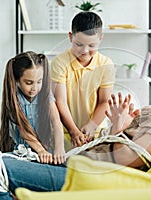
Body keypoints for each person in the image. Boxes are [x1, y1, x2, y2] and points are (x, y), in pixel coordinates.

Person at [0, 55, 151, 200]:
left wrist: (115, 134)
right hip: (84, 162)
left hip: (93, 175)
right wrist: (116, 127)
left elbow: (130, 157)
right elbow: (120, 147)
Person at [50, 11, 116, 149]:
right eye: (79, 44)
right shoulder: (59, 63)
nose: (85, 50)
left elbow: (104, 101)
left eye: (92, 46)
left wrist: (92, 125)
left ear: (100, 39)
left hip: (96, 131)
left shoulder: (106, 64)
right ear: (70, 37)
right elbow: (60, 101)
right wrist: (73, 130)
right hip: (65, 132)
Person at [0, 51, 66, 165]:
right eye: (29, 83)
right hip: (21, 153)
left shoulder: (45, 94)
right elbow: (24, 129)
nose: (34, 88)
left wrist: (60, 147)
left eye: (39, 82)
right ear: (17, 80)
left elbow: (56, 120)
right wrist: (40, 150)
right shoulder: (14, 98)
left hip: (45, 152)